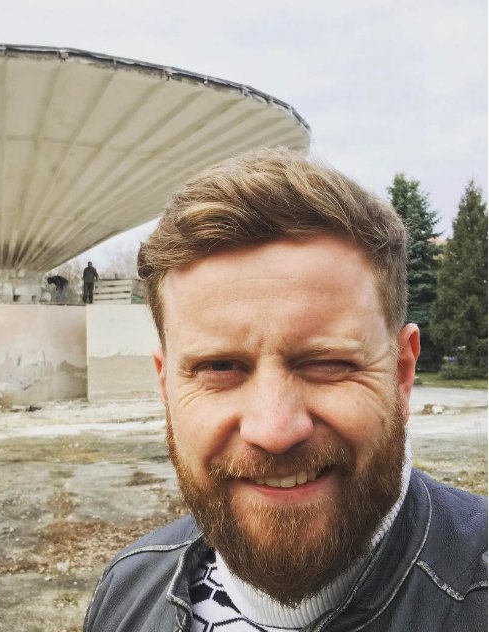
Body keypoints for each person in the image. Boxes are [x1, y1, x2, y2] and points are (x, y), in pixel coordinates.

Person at [83, 148, 487, 631]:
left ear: (402, 372)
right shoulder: (127, 590)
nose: (274, 431)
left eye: (327, 363)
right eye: (220, 366)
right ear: (165, 385)